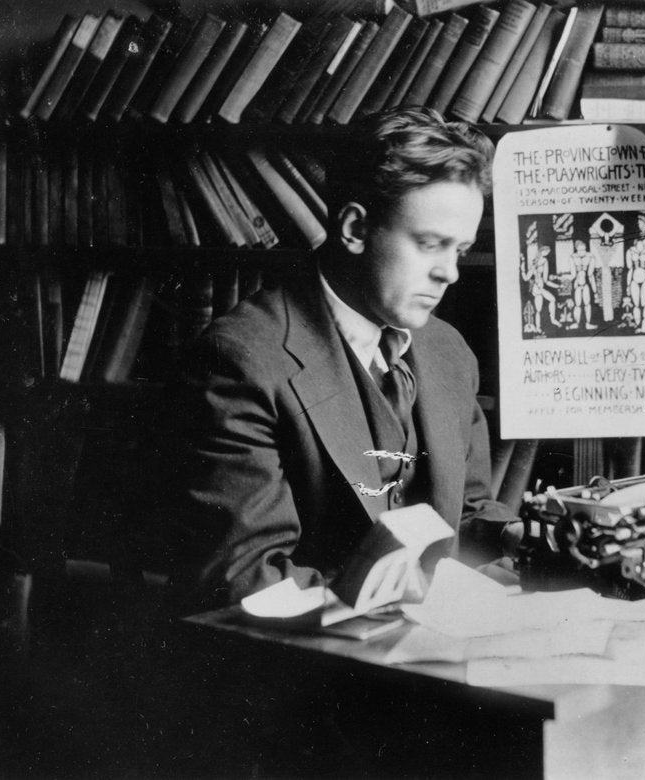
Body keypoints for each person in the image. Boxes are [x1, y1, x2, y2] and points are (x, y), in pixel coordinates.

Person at [169, 108, 518, 611]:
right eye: (430, 245)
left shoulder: (448, 352)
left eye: (460, 250)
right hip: (305, 671)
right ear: (355, 228)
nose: (450, 274)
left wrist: (516, 536)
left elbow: (463, 512)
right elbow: (246, 577)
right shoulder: (239, 361)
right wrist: (405, 601)